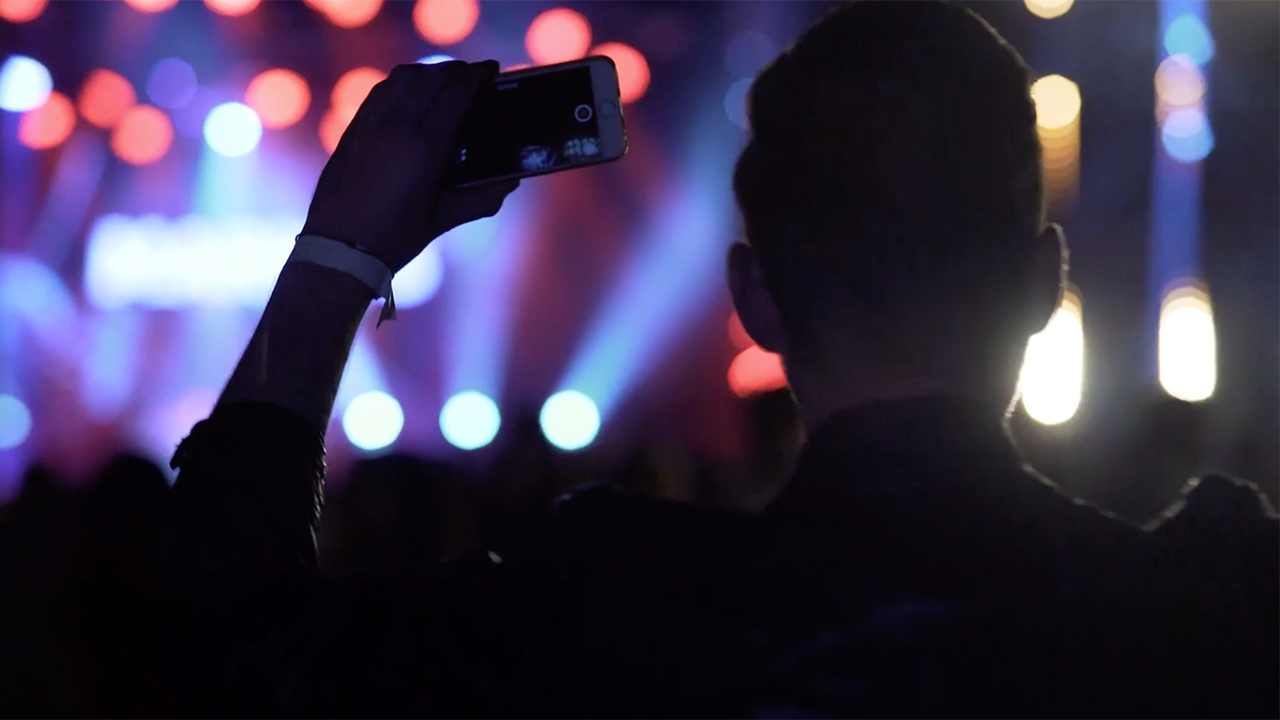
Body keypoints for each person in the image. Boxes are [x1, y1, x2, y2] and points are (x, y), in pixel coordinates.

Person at [154, 2, 1278, 717]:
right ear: (1043, 284)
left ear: (756, 302)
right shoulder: (1206, 617)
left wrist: (337, 257)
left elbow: (226, 656)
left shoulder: (600, 610)